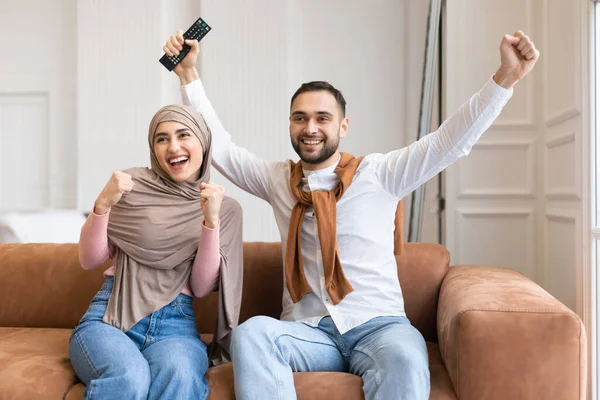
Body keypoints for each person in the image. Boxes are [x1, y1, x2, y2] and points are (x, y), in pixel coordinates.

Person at [162, 29, 539, 399]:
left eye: (322, 118)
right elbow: (223, 150)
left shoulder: (380, 174)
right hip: (308, 333)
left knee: (408, 360)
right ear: (290, 126)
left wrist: (505, 78)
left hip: (379, 327)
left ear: (343, 126)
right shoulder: (279, 180)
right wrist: (189, 76)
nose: (310, 128)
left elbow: (449, 142)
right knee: (252, 334)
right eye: (300, 118)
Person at [68, 104, 243, 400]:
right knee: (130, 376)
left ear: (203, 140)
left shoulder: (225, 209)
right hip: (110, 315)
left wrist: (210, 223)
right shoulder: (131, 185)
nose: (173, 147)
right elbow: (90, 260)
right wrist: (102, 205)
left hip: (176, 327)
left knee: (181, 376)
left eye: (183, 135)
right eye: (161, 139)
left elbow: (201, 288)